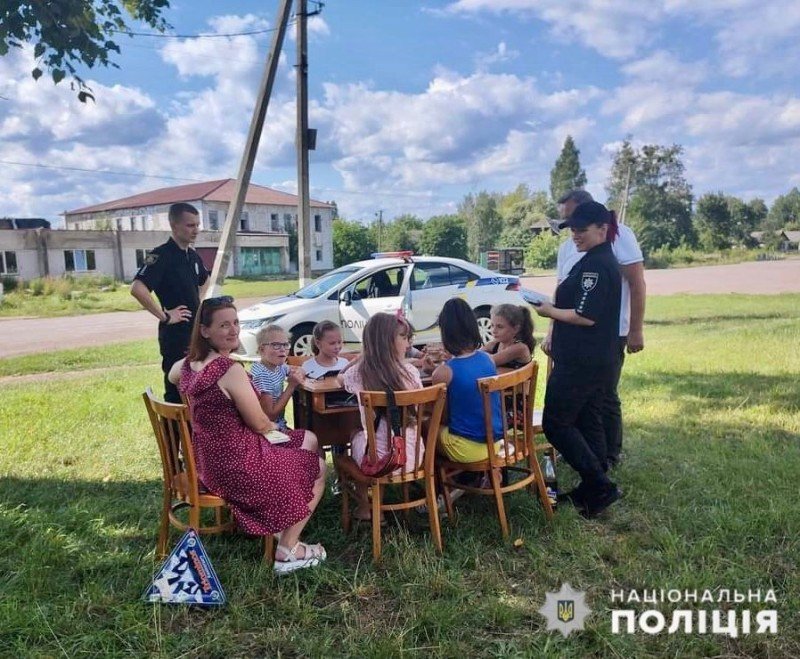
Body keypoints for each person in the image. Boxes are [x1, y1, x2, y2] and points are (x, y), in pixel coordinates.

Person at [168, 296, 327, 574]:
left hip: (210, 461)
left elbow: (173, 375)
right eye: (224, 325)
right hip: (238, 464)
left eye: (236, 323)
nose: (233, 330)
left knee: (303, 440)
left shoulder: (187, 365)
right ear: (205, 331)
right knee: (317, 466)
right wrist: (274, 431)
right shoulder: (229, 371)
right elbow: (259, 424)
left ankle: (283, 518)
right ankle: (288, 550)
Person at [543, 189, 646, 467]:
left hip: (606, 335)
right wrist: (552, 330)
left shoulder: (618, 238)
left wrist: (635, 329)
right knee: (586, 408)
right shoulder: (572, 246)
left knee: (603, 397)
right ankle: (590, 460)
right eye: (567, 223)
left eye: (575, 221)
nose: (571, 229)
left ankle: (608, 456)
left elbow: (636, 282)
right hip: (572, 340)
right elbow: (562, 290)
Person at [534, 200, 622, 518]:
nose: (575, 235)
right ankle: (593, 488)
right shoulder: (594, 259)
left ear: (603, 229)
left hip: (582, 360)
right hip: (595, 358)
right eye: (572, 229)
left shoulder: (598, 265)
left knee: (555, 424)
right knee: (587, 419)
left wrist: (548, 311)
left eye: (581, 230)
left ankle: (599, 484)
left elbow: (586, 316)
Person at [338, 312, 423, 521]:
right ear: (388, 342)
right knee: (369, 436)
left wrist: (360, 357)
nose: (407, 343)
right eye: (403, 338)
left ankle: (366, 507)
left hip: (380, 460)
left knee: (354, 437)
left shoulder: (357, 374)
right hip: (412, 456)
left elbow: (340, 378)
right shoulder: (410, 372)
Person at [131, 203, 210, 403]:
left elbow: (205, 280)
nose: (196, 230)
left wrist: (198, 302)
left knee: (196, 390)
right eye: (190, 225)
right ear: (174, 226)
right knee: (177, 391)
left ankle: (193, 433)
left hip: (195, 333)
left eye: (197, 225)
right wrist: (166, 316)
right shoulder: (160, 255)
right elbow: (137, 288)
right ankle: (175, 434)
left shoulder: (192, 255)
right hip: (175, 337)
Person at [433, 298, 505, 464]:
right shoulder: (488, 359)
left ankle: (439, 485)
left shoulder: (444, 372)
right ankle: (474, 478)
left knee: (426, 427)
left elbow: (441, 416)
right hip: (493, 444)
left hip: (466, 449)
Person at [251, 325, 306, 431]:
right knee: (312, 438)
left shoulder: (278, 366)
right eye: (276, 345)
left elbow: (300, 370)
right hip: (269, 430)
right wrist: (291, 386)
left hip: (279, 425)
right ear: (262, 349)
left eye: (285, 345)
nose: (282, 349)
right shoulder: (262, 375)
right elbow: (270, 416)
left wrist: (298, 372)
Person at [483, 303, 535, 369]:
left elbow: (489, 362)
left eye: (500, 327)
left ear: (516, 329)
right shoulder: (495, 344)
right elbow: (475, 355)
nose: (494, 330)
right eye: (492, 325)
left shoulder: (520, 348)